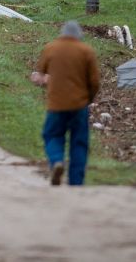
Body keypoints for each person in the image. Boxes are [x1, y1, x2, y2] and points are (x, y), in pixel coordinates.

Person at [31, 20, 100, 186]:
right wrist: (88, 98)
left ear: (62, 33)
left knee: (52, 135)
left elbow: (41, 74)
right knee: (79, 142)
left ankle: (56, 161)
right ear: (79, 36)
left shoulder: (51, 48)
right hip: (79, 106)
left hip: (56, 105)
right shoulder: (87, 51)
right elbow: (95, 82)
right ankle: (76, 182)